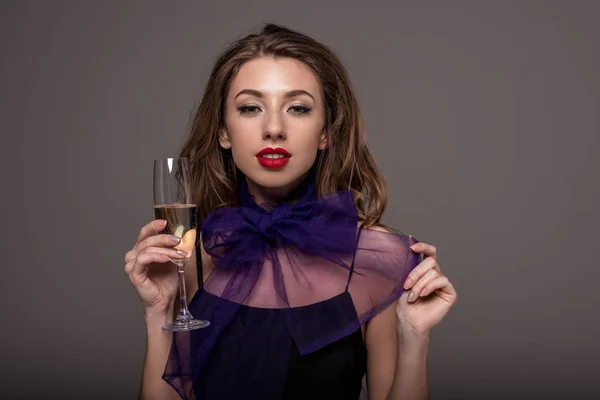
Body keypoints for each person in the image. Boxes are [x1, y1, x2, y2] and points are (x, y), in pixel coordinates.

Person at [125, 23, 458, 400]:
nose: (273, 128)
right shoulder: (191, 255)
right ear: (224, 131)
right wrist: (159, 314)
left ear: (325, 132)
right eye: (250, 108)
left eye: (297, 108)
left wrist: (415, 337)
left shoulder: (377, 258)